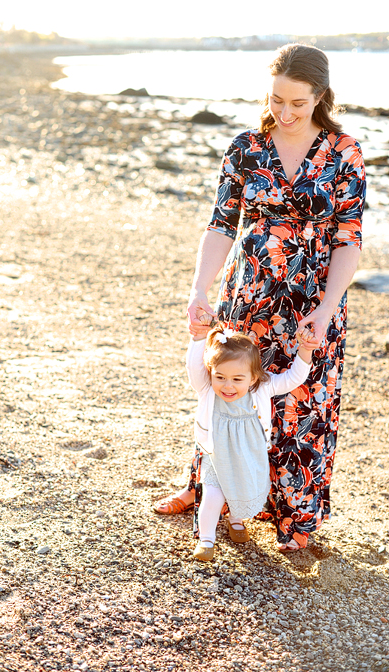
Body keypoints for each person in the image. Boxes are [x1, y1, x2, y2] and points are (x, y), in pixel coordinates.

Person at [154, 43, 366, 552]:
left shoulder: (345, 151)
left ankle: (293, 518)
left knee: (301, 402)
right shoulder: (246, 146)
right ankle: (207, 490)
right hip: (247, 290)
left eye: (298, 103)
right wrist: (198, 289)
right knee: (226, 390)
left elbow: (349, 238)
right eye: (276, 101)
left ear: (320, 96)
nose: (285, 113)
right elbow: (221, 225)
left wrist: (327, 305)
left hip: (313, 298)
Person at [186, 321, 316, 561]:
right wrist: (198, 339)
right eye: (220, 377)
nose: (227, 385)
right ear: (211, 373)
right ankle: (206, 540)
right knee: (213, 495)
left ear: (253, 376)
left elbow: (293, 378)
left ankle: (236, 520)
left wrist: (305, 351)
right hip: (217, 456)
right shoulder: (206, 389)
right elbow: (194, 368)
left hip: (249, 456)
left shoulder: (262, 388)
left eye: (237, 379)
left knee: (244, 489)